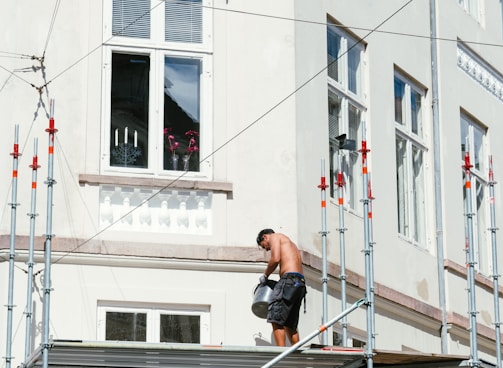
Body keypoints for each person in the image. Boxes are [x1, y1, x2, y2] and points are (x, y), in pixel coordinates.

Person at [256, 228, 306, 346]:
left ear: (265, 237)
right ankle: (297, 358)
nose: (267, 249)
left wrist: (265, 275)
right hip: (299, 284)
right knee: (290, 324)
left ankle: (280, 354)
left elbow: (275, 259)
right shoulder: (290, 244)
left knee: (275, 316)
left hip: (289, 280)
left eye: (264, 247)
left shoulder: (275, 237)